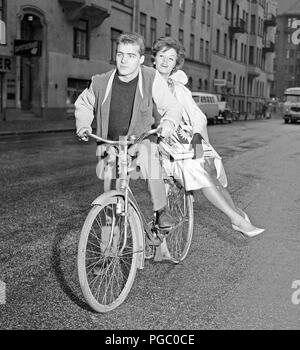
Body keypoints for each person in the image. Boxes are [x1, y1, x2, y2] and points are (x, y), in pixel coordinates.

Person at [152, 37, 264, 238]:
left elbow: (198, 117)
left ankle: (237, 215)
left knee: (209, 167)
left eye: (171, 58)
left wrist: (197, 146)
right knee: (200, 171)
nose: (165, 62)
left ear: (176, 64)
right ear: (154, 58)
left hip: (183, 141)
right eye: (161, 56)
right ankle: (236, 219)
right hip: (161, 144)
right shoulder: (146, 81)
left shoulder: (178, 88)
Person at [75, 32, 183, 230]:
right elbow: (84, 103)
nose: (124, 60)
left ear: (141, 59)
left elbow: (172, 106)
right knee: (110, 195)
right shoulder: (100, 82)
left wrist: (168, 123)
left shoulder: (151, 77)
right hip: (111, 144)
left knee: (148, 154)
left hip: (139, 140)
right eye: (120, 54)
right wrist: (83, 124)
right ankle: (109, 249)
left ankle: (161, 211)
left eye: (131, 55)